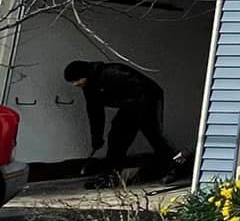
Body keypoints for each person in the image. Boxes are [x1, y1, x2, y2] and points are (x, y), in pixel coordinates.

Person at [62, 60, 191, 186]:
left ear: (85, 74)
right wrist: (96, 138)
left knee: (154, 134)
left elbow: (146, 89)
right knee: (116, 136)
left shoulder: (112, 72)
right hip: (129, 105)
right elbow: (95, 114)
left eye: (76, 80)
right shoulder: (89, 88)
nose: (75, 84)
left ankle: (176, 167)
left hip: (148, 98)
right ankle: (111, 175)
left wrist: (141, 116)